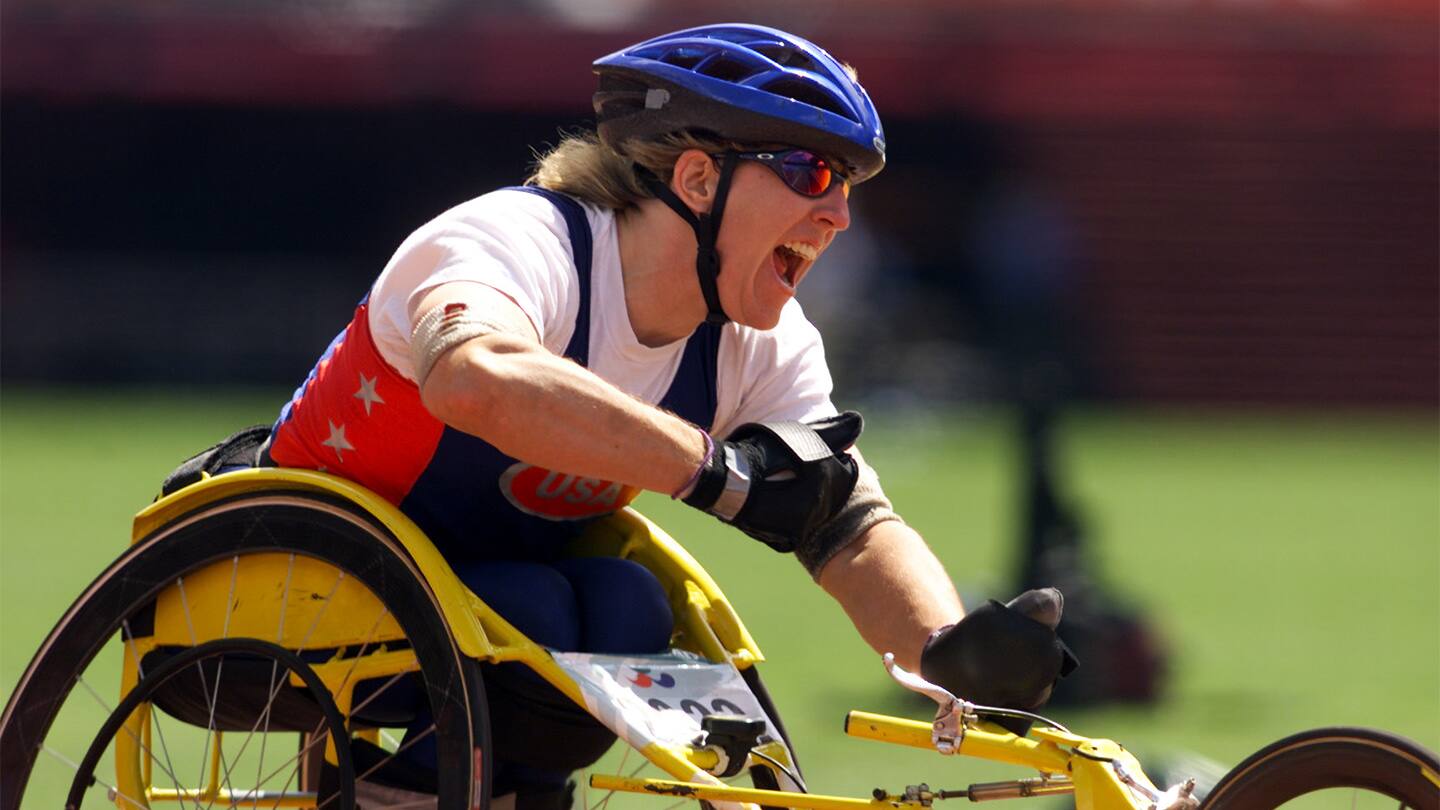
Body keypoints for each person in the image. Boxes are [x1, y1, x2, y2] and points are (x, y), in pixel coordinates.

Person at [262, 23, 1075, 805]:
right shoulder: (517, 239)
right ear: (695, 179)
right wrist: (717, 472)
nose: (839, 217)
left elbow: (844, 517)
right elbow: (477, 379)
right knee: (537, 612)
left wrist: (948, 652)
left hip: (472, 600)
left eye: (848, 187)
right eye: (809, 173)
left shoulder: (759, 338)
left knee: (627, 606)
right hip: (282, 582)